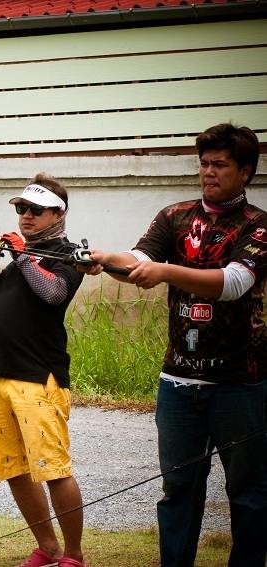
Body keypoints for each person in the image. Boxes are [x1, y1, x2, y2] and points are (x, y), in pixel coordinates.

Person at [80, 123, 266, 567]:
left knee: (250, 493)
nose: (208, 172)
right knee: (178, 487)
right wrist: (107, 260)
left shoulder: (258, 225)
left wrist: (165, 272)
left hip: (241, 381)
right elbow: (140, 261)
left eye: (219, 164)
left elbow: (235, 282)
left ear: (245, 171)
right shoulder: (173, 215)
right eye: (203, 163)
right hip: (178, 381)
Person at [0, 174, 87, 567]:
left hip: (41, 378)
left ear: (59, 213)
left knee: (54, 470)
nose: (26, 216)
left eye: (35, 210)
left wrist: (22, 256)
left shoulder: (69, 256)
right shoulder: (17, 262)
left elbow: (54, 293)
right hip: (0, 376)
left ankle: (73, 554)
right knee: (15, 470)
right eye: (22, 208)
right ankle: (47, 546)